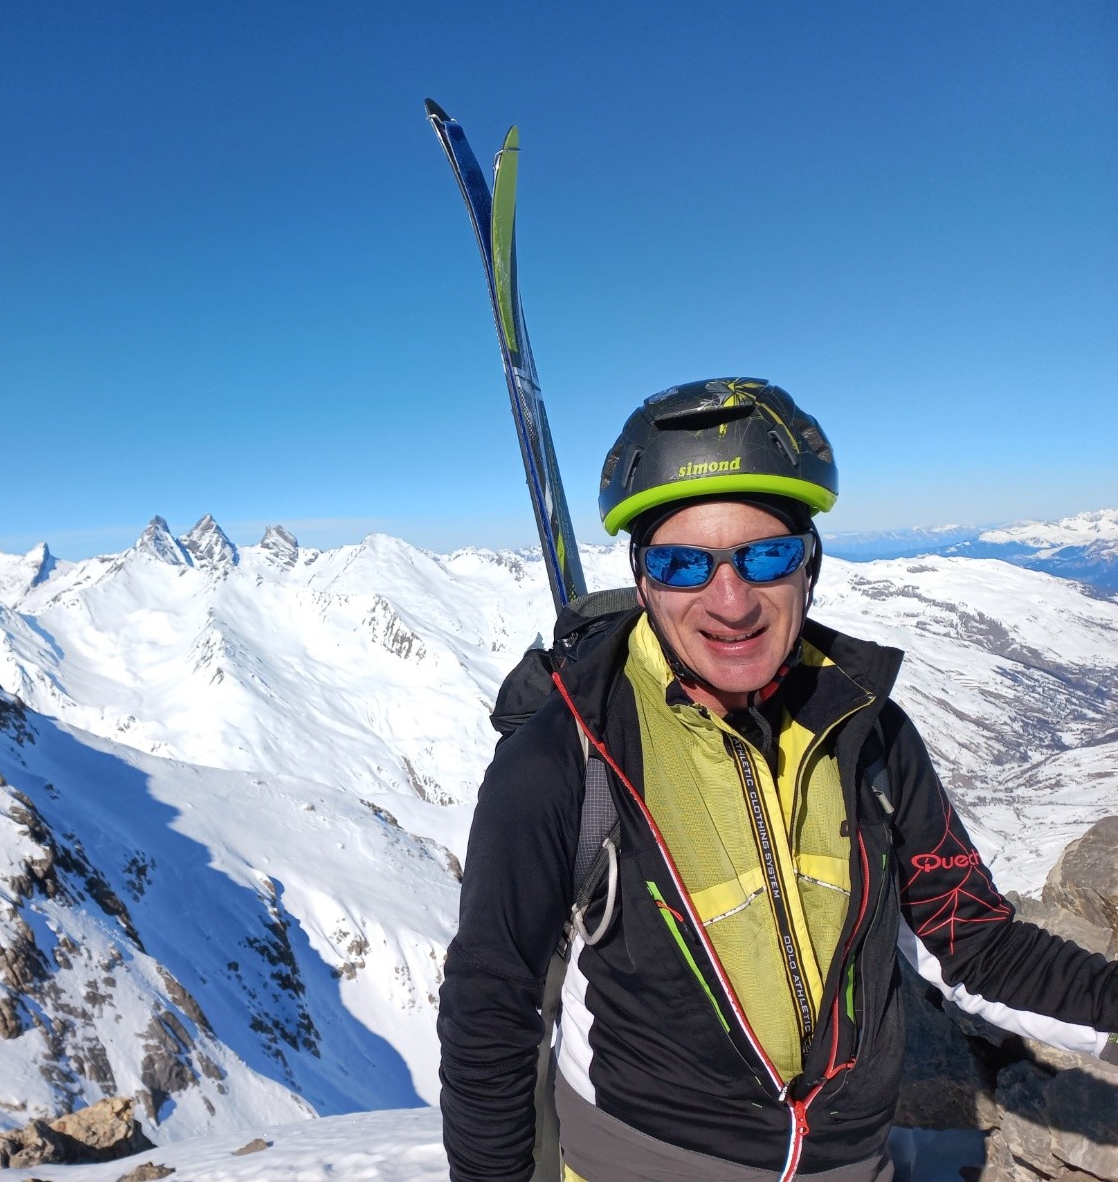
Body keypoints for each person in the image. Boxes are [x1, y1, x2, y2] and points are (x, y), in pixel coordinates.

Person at [438, 377, 1118, 1182]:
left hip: (849, 1165)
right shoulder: (565, 759)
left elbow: (974, 941)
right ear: (644, 580)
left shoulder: (870, 735)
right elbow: (491, 1007)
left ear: (810, 565)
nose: (731, 603)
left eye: (764, 555)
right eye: (683, 563)